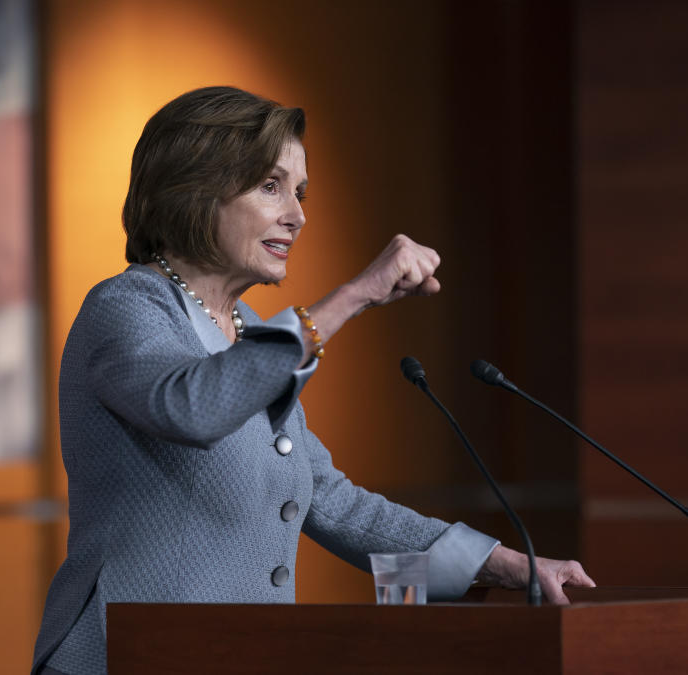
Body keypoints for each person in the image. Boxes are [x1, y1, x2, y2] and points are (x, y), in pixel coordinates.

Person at [32, 86, 594, 675]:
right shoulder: (126, 307)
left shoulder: (248, 333)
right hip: (119, 659)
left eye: (299, 192)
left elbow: (330, 501)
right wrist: (351, 297)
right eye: (271, 186)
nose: (298, 215)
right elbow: (192, 408)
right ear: (194, 187)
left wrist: (501, 563)